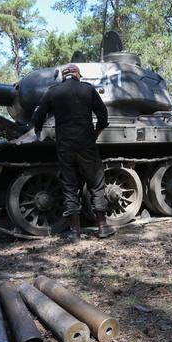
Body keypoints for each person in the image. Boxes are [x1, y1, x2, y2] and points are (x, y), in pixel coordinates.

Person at [32, 63, 115, 242]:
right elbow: (103, 115)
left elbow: (38, 117)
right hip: (86, 144)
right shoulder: (88, 90)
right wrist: (96, 132)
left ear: (64, 75)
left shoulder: (54, 91)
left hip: (65, 146)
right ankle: (102, 227)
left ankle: (75, 233)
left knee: (70, 186)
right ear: (77, 74)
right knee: (96, 183)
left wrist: (38, 130)